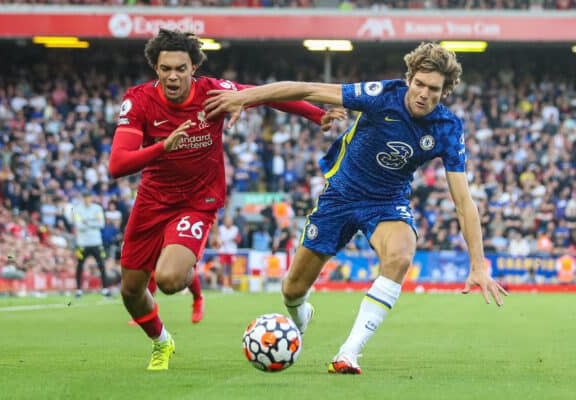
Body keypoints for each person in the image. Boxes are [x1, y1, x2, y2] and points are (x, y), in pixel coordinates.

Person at [204, 42, 508, 374]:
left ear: (445, 91)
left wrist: (478, 264)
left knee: (402, 252)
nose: (423, 93)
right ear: (409, 79)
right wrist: (244, 98)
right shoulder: (381, 95)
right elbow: (308, 88)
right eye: (418, 84)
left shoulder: (447, 128)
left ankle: (349, 352)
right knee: (292, 289)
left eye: (433, 89)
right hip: (339, 196)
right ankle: (300, 314)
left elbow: (463, 201)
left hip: (386, 203)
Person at [107, 28, 343, 371]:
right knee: (130, 291)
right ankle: (162, 342)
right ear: (155, 69)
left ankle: (185, 269)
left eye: (181, 68)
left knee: (170, 280)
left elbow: (267, 96)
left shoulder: (214, 93)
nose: (173, 76)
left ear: (193, 69)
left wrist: (315, 115)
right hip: (153, 199)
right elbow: (117, 164)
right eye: (165, 69)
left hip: (197, 200)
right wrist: (162, 147)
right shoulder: (140, 100)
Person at [72, 191, 111, 298]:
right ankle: (79, 290)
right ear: (82, 198)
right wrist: (92, 222)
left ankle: (105, 289)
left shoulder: (97, 208)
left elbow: (101, 224)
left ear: (91, 198)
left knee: (102, 265)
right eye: (85, 197)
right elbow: (79, 226)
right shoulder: (77, 209)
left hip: (96, 242)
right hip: (82, 244)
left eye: (88, 197)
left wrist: (86, 222)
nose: (87, 199)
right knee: (79, 266)